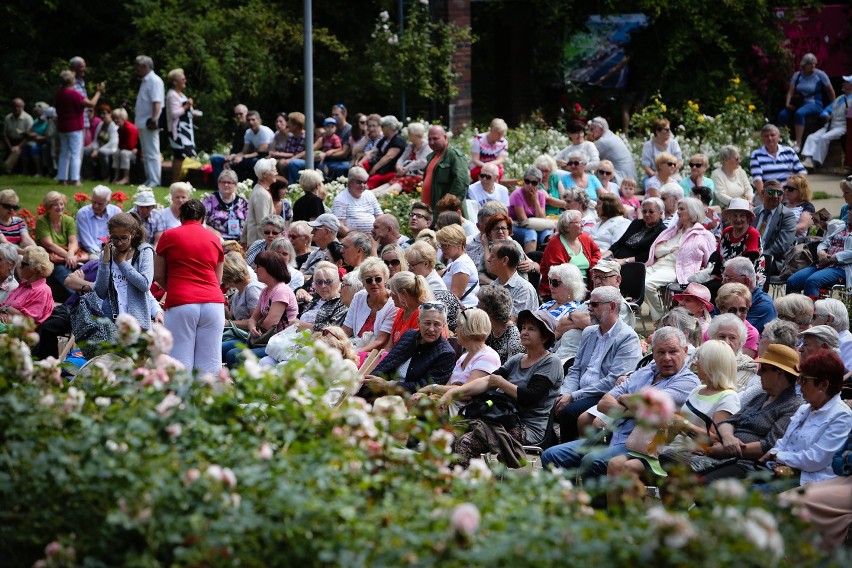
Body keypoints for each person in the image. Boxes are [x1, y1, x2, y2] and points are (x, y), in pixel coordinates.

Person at [541, 327, 700, 480]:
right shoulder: (646, 371)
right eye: (660, 352)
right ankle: (570, 500)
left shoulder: (687, 382)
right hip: (611, 436)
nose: (667, 358)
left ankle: (594, 506)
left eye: (673, 351)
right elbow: (604, 403)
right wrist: (637, 407)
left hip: (641, 446)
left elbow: (650, 404)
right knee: (552, 455)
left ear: (685, 351)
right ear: (653, 353)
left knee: (593, 461)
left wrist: (624, 398)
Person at [606, 340, 741, 505]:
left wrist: (682, 424)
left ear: (711, 365)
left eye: (700, 360)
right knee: (614, 463)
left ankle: (633, 521)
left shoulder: (728, 397)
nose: (696, 363)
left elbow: (716, 439)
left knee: (629, 469)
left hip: (687, 455)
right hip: (669, 448)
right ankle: (616, 519)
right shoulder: (698, 389)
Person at [440, 309, 563, 466]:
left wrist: (501, 383)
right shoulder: (518, 359)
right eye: (523, 328)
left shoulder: (551, 362)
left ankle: (463, 487)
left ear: (545, 336)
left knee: (466, 443)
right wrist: (453, 393)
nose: (524, 332)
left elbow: (530, 397)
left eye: (531, 329)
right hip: (503, 418)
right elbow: (487, 381)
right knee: (451, 434)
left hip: (528, 428)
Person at [696, 344, 803, 484]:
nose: (758, 374)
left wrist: (726, 450)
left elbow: (769, 446)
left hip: (750, 465)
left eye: (763, 369)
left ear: (780, 373)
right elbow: (728, 421)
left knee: (703, 484)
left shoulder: (793, 406)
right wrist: (729, 438)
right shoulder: (761, 398)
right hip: (726, 455)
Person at [555, 286, 642, 443]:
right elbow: (575, 369)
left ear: (612, 306)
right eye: (589, 303)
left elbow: (612, 381)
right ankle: (550, 448)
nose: (589, 308)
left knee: (569, 412)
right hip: (581, 391)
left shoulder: (628, 338)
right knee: (555, 402)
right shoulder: (589, 332)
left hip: (604, 395)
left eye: (595, 305)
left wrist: (573, 396)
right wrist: (565, 393)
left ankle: (570, 459)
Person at [759, 350, 851, 486]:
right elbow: (784, 442)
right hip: (778, 471)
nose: (799, 384)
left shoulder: (841, 416)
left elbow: (815, 458)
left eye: (804, 379)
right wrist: (775, 455)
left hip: (809, 482)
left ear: (823, 385)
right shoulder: (804, 409)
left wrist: (777, 456)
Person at [154, 200, 225, 374]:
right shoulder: (215, 239)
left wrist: (175, 289)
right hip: (213, 304)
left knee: (179, 362)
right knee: (210, 364)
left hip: (181, 302)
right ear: (202, 218)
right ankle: (207, 400)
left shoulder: (168, 236)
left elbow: (159, 275)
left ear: (181, 217)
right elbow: (218, 278)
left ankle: (180, 401)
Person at [644, 197, 715, 322]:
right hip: (657, 265)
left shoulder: (704, 235)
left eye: (682, 209)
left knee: (647, 284)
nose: (678, 212)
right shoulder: (673, 231)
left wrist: (702, 273)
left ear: (692, 211)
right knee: (633, 283)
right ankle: (664, 317)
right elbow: (656, 251)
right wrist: (669, 250)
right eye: (678, 209)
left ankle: (662, 319)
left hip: (676, 270)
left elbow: (711, 261)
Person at [362, 302, 454, 398]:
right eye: (427, 323)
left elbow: (426, 387)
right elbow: (387, 364)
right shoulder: (409, 335)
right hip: (384, 390)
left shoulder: (446, 353)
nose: (431, 329)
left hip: (409, 398)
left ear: (443, 325)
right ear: (418, 322)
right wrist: (371, 379)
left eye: (437, 324)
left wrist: (387, 385)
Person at [779, 432, 852, 549]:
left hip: (846, 483)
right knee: (784, 498)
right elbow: (836, 462)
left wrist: (846, 457)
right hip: (844, 478)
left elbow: (833, 458)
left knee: (794, 503)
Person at [222, 250, 296, 366]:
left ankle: (247, 384)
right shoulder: (266, 290)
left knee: (237, 356)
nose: (255, 270)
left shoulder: (281, 290)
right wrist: (252, 327)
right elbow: (253, 318)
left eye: (258, 267)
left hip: (280, 343)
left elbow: (270, 322)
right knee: (232, 354)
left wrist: (254, 328)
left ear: (269, 268)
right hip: (265, 340)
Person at [414, 307, 500, 404]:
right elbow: (447, 387)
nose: (455, 330)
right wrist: (425, 396)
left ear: (468, 329)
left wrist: (432, 388)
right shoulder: (464, 357)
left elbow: (465, 393)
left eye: (459, 326)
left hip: (465, 414)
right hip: (448, 407)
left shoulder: (488, 357)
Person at [94, 212, 157, 329]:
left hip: (137, 324)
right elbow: (100, 291)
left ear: (132, 234)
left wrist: (122, 263)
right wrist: (105, 262)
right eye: (115, 238)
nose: (119, 243)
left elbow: (145, 284)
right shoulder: (106, 253)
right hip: (111, 324)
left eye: (124, 238)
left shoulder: (144, 252)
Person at [55, 69, 104, 186]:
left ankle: (62, 178)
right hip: (75, 126)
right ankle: (75, 179)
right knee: (76, 153)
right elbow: (91, 104)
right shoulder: (74, 94)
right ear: (71, 81)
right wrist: (99, 92)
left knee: (64, 153)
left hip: (62, 126)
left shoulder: (58, 93)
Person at [778, 53, 836, 150]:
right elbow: (790, 92)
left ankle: (798, 143)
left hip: (814, 103)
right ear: (804, 65)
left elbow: (830, 91)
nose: (813, 66)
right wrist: (787, 104)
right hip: (799, 102)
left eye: (814, 64)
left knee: (799, 113)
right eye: (810, 64)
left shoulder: (820, 75)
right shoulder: (797, 75)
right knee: (782, 115)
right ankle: (780, 140)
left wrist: (833, 106)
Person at [785, 213, 852, 298]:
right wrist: (821, 252)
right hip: (824, 264)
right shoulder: (841, 228)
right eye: (850, 209)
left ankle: (811, 310)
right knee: (793, 281)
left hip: (842, 268)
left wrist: (833, 258)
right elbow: (824, 243)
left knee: (812, 281)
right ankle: (792, 310)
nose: (849, 212)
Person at [539, 210, 600, 298]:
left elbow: (596, 252)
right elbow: (559, 273)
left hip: (586, 287)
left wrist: (593, 266)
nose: (583, 225)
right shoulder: (555, 244)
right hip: (562, 290)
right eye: (578, 222)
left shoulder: (585, 238)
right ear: (567, 226)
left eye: (582, 221)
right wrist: (580, 289)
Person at [341, 256, 398, 352]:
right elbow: (346, 330)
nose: (373, 283)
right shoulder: (359, 297)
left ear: (385, 279)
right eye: (368, 280)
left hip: (375, 354)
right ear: (362, 281)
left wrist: (354, 353)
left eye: (378, 279)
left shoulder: (393, 303)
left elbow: (381, 341)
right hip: (354, 346)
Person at [36, 191, 83, 292]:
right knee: (63, 271)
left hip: (68, 256)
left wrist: (70, 254)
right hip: (52, 258)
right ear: (48, 207)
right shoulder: (42, 222)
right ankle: (78, 298)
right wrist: (68, 256)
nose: (60, 207)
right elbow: (49, 245)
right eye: (55, 205)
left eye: (61, 204)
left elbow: (73, 242)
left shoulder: (69, 220)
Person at [801, 75, 852, 168]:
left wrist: (849, 112)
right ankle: (808, 159)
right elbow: (826, 110)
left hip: (842, 127)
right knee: (812, 137)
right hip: (830, 125)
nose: (844, 84)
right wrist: (826, 115)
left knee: (824, 138)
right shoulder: (840, 98)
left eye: (846, 82)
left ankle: (815, 162)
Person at [421, 125, 469, 222]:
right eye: (429, 139)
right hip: (431, 212)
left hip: (448, 215)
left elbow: (461, 183)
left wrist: (447, 208)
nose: (431, 142)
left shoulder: (454, 156)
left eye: (435, 138)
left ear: (445, 137)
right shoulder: (431, 157)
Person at [720, 256, 776, 334]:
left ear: (746, 280)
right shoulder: (729, 296)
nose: (723, 282)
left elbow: (737, 333)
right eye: (723, 277)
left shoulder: (764, 306)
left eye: (728, 278)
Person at [165, 68, 202, 184]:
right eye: (182, 79)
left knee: (182, 155)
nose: (185, 80)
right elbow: (173, 113)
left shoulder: (180, 94)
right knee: (179, 155)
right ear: (175, 82)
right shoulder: (172, 95)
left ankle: (177, 181)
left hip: (185, 131)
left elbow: (186, 112)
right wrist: (187, 106)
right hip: (177, 131)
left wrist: (195, 112)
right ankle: (175, 182)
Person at [0, 246, 53, 326]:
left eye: (23, 264)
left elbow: (29, 320)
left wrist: (6, 308)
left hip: (18, 333)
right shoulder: (23, 286)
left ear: (35, 268)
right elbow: (3, 306)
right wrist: (3, 312)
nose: (20, 267)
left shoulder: (43, 291)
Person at [372, 122, 430, 196]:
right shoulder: (410, 145)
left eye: (410, 133)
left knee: (400, 182)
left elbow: (422, 162)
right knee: (392, 181)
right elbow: (402, 158)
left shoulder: (426, 146)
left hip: (418, 176)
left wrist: (406, 168)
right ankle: (372, 193)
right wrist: (398, 166)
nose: (408, 135)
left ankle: (381, 195)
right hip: (404, 173)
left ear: (415, 135)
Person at [603, 197, 666, 265]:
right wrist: (606, 253)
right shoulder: (637, 223)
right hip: (615, 257)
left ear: (661, 213)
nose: (647, 214)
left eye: (651, 212)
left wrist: (625, 261)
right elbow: (620, 242)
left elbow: (649, 254)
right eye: (644, 211)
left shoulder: (662, 231)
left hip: (633, 264)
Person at [486, 239, 539, 318]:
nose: (488, 259)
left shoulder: (524, 289)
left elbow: (512, 322)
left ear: (504, 260)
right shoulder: (493, 285)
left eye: (492, 256)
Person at [133, 55, 164, 187]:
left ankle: (155, 180)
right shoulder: (146, 80)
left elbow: (157, 102)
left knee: (152, 153)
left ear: (145, 66)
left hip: (149, 122)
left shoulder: (154, 80)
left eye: (138, 66)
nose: (137, 69)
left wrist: (154, 119)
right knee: (146, 153)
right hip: (143, 122)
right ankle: (149, 179)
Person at [752, 179, 796, 268]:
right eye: (771, 192)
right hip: (750, 255)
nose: (775, 196)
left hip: (773, 260)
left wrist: (757, 256)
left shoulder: (787, 215)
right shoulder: (754, 212)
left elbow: (781, 246)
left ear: (783, 196)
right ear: (763, 193)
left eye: (779, 193)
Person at [706, 313, 757, 391]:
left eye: (732, 338)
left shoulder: (747, 364)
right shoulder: (702, 355)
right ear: (713, 338)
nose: (726, 342)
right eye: (722, 336)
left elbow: (733, 391)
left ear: (740, 341)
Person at [749, 124, 806, 194]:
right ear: (762, 139)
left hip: (789, 193)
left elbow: (802, 173)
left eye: (772, 135)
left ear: (779, 137)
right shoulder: (756, 154)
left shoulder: (789, 152)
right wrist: (765, 198)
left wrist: (794, 189)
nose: (769, 138)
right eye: (766, 136)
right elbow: (757, 180)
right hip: (769, 194)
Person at [220, 252, 264, 342]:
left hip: (251, 335)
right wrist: (224, 306)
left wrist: (228, 323)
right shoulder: (238, 290)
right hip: (240, 333)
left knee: (222, 347)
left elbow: (256, 321)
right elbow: (232, 317)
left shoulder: (252, 289)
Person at [294, 261, 347, 332]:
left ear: (337, 282)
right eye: (319, 282)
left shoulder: (342, 302)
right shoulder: (317, 298)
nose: (323, 286)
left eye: (328, 281)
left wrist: (307, 326)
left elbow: (334, 330)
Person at [386, 270, 433, 349]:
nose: (390, 294)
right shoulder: (401, 312)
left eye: (393, 291)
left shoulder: (422, 315)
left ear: (403, 293)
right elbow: (389, 347)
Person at [477, 285, 523, 363]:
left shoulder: (514, 336)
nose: (477, 311)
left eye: (479, 307)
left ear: (491, 312)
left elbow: (511, 369)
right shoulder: (487, 330)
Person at [507, 166, 550, 252]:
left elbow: (542, 219)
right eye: (527, 181)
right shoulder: (517, 194)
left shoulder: (541, 195)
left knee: (547, 234)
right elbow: (523, 220)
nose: (530, 185)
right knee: (531, 233)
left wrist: (536, 201)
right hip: (516, 225)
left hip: (532, 225)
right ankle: (530, 262)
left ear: (539, 184)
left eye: (534, 183)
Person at [437, 224, 479, 308]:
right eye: (441, 245)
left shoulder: (461, 264)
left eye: (446, 245)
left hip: (464, 314)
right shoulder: (455, 262)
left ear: (459, 244)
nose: (442, 248)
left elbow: (454, 296)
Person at [332, 166, 382, 235]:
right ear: (350, 182)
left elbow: (380, 217)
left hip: (373, 237)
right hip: (352, 240)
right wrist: (354, 237)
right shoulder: (341, 199)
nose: (362, 185)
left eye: (364, 182)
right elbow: (339, 224)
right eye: (359, 182)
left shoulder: (370, 195)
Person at [587, 116, 637, 183]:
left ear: (601, 129)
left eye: (592, 129)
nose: (589, 132)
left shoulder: (602, 142)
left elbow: (587, 160)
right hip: (630, 179)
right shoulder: (611, 136)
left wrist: (589, 141)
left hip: (621, 181)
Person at [202, 170, 249, 242]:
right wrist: (212, 231)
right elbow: (201, 222)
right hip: (217, 240)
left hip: (239, 242)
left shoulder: (242, 201)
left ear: (235, 185)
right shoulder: (210, 200)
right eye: (223, 182)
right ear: (218, 184)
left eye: (229, 182)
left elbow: (249, 222)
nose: (226, 185)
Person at [76, 185, 121, 259]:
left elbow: (119, 234)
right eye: (94, 202)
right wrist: (100, 253)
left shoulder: (116, 212)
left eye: (100, 204)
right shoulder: (83, 213)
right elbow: (86, 240)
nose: (96, 206)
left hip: (113, 249)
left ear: (108, 202)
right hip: (91, 251)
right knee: (96, 260)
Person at [360, 115, 405, 189]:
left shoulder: (398, 140)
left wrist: (374, 169)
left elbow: (388, 157)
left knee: (373, 179)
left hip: (390, 169)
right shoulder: (385, 138)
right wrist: (360, 163)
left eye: (382, 126)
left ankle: (361, 191)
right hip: (380, 166)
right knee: (359, 169)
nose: (381, 128)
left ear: (389, 127)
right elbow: (373, 152)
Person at [231, 110, 274, 182]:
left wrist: (243, 157)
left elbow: (260, 152)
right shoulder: (248, 132)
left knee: (255, 162)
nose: (251, 122)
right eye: (248, 120)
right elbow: (244, 151)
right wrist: (234, 156)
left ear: (259, 121)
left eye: (253, 120)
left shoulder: (265, 131)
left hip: (267, 156)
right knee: (236, 163)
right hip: (256, 156)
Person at [241, 158, 277, 245]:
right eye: (274, 170)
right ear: (264, 174)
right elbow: (262, 224)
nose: (276, 173)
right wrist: (266, 247)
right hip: (259, 245)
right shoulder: (262, 194)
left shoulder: (259, 190)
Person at [209, 104, 249, 182]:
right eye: (236, 114)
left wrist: (234, 157)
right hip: (234, 156)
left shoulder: (250, 129)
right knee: (215, 158)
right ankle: (220, 184)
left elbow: (248, 150)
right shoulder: (238, 129)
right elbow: (234, 147)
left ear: (246, 114)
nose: (238, 116)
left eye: (240, 114)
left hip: (245, 157)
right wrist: (228, 158)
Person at [812, 298, 852, 370]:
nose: (811, 322)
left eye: (814, 317)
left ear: (828, 319)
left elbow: (846, 377)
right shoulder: (824, 339)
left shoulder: (849, 344)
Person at [84, 104, 117, 181]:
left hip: (111, 149)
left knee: (102, 153)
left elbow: (113, 142)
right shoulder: (100, 125)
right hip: (99, 148)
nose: (103, 115)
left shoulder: (113, 126)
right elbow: (96, 140)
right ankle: (89, 175)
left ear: (109, 114)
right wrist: (95, 149)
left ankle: (105, 176)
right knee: (85, 151)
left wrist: (98, 150)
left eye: (105, 113)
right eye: (101, 114)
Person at [319, 103, 352, 178]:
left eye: (336, 115)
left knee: (336, 168)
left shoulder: (349, 130)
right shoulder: (331, 128)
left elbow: (344, 153)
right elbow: (321, 144)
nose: (334, 117)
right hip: (330, 160)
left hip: (344, 161)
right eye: (333, 115)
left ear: (344, 114)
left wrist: (325, 155)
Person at [301, 213, 339, 277]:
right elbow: (302, 271)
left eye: (316, 229)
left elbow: (320, 277)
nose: (312, 232)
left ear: (327, 232)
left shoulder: (336, 254)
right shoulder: (318, 250)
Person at [3, 98, 33, 174]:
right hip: (9, 141)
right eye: (14, 106)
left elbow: (28, 136)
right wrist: (9, 146)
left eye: (19, 107)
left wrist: (19, 146)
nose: (16, 108)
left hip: (23, 142)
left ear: (23, 107)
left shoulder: (28, 119)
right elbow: (5, 134)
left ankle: (5, 169)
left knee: (16, 150)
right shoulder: (8, 118)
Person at [111, 108, 139, 185]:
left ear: (123, 118)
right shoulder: (120, 129)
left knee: (123, 153)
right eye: (114, 118)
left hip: (136, 153)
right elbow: (120, 144)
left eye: (117, 118)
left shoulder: (130, 128)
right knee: (116, 153)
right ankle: (116, 176)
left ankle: (126, 178)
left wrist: (122, 148)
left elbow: (131, 145)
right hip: (127, 150)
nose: (115, 120)